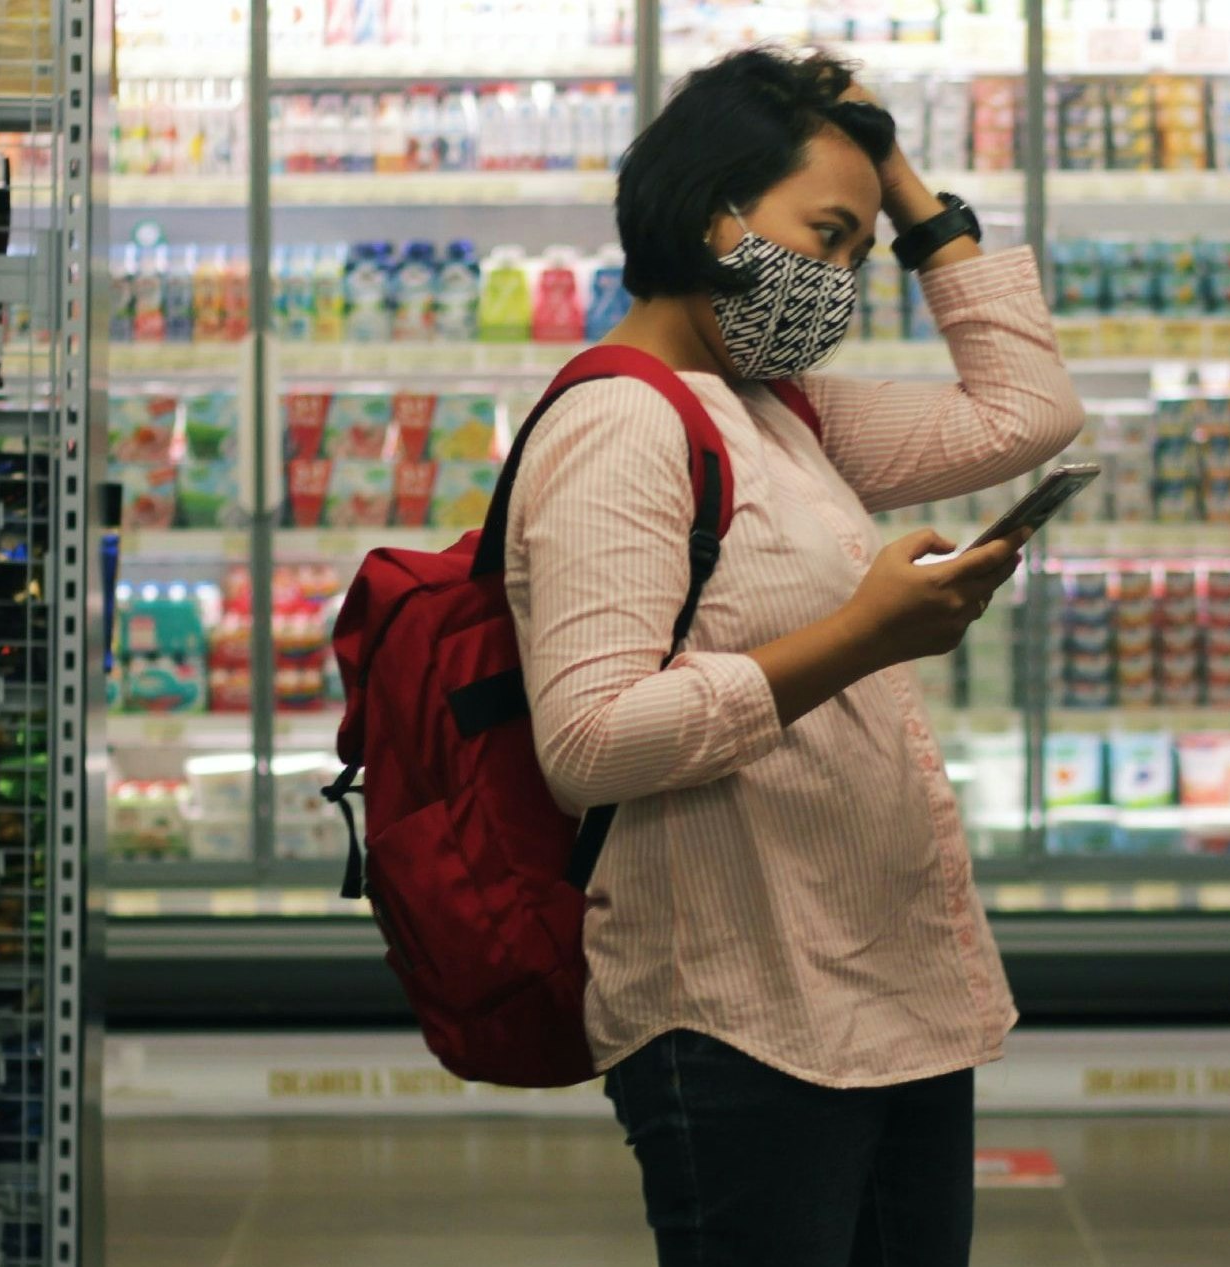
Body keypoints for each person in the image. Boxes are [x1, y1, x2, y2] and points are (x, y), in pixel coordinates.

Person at [501, 45, 1084, 1267]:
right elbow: (589, 742)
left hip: (879, 989)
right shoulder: (624, 419)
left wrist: (901, 183)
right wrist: (862, 638)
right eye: (824, 237)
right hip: (739, 1013)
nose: (839, 281)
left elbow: (1027, 412)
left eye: (859, 256)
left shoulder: (780, 408)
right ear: (717, 215)